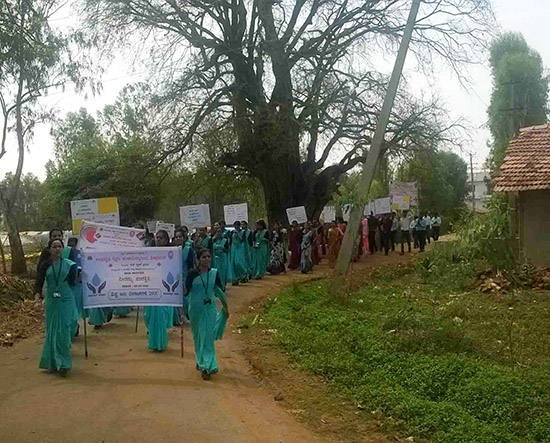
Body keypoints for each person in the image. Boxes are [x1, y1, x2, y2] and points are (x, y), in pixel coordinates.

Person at [35, 239, 77, 376]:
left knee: (63, 329)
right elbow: (39, 282)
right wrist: (37, 296)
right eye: (54, 246)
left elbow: (73, 282)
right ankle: (52, 362)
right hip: (52, 299)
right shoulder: (45, 265)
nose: (57, 249)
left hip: (66, 298)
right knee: (52, 330)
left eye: (59, 246)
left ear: (63, 249)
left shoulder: (70, 265)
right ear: (50, 249)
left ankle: (64, 364)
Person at [185, 247, 229, 380]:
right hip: (196, 309)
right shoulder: (192, 274)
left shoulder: (214, 273)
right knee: (198, 336)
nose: (207, 259)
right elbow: (186, 292)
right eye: (204, 257)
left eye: (209, 256)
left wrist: (226, 308)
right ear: (198, 259)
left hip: (210, 309)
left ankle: (207, 366)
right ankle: (200, 360)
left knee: (208, 337)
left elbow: (219, 291)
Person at [143, 230, 173, 351]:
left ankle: (159, 342)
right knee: (148, 314)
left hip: (164, 287)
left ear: (166, 240)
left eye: (161, 238)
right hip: (151, 284)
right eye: (157, 237)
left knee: (160, 314)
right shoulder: (150, 252)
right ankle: (152, 331)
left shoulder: (172, 253)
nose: (158, 239)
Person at [171, 227, 194, 326]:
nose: (178, 239)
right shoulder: (171, 250)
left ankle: (183, 316)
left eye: (180, 237)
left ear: (184, 238)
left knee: (184, 299)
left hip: (184, 277)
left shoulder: (188, 250)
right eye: (176, 237)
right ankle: (175, 319)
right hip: (173, 278)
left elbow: (190, 266)